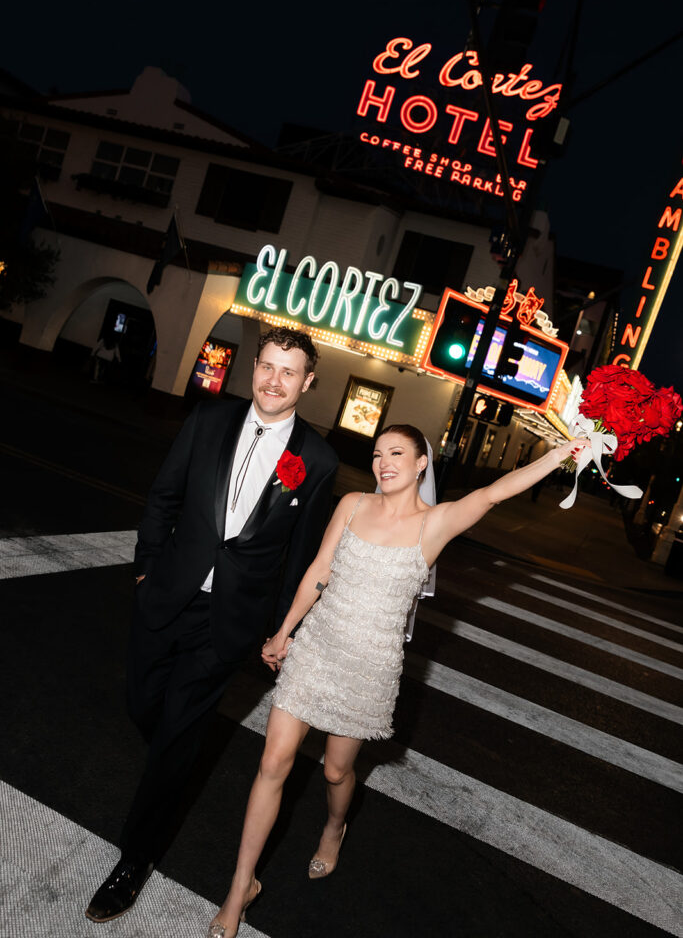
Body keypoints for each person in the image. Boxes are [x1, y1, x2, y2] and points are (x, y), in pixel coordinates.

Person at [208, 424, 589, 938]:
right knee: (272, 760)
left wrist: (564, 454)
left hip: (369, 666)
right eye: (377, 454)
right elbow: (320, 569)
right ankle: (240, 887)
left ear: (420, 465)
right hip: (317, 648)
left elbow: (496, 491)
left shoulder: (435, 524)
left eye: (397, 454)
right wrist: (284, 631)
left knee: (336, 774)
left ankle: (335, 825)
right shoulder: (352, 505)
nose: (384, 462)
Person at [85, 327, 338, 923]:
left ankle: (133, 862)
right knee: (142, 704)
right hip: (167, 594)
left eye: (288, 372)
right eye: (267, 366)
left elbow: (300, 557)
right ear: (254, 366)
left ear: (308, 383)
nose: (274, 380)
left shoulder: (318, 461)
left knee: (175, 738)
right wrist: (147, 570)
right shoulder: (208, 420)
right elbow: (163, 496)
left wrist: (280, 629)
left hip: (226, 624)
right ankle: (171, 764)